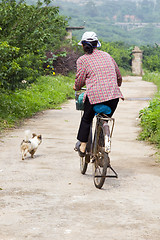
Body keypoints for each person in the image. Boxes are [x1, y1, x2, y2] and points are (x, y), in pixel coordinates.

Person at [73, 31, 124, 157]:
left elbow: (79, 80)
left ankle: (83, 145)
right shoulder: (107, 55)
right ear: (97, 44)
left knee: (86, 119)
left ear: (83, 45)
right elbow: (118, 76)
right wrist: (116, 84)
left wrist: (77, 87)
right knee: (105, 118)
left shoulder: (83, 60)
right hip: (113, 96)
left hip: (95, 97)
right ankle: (101, 145)